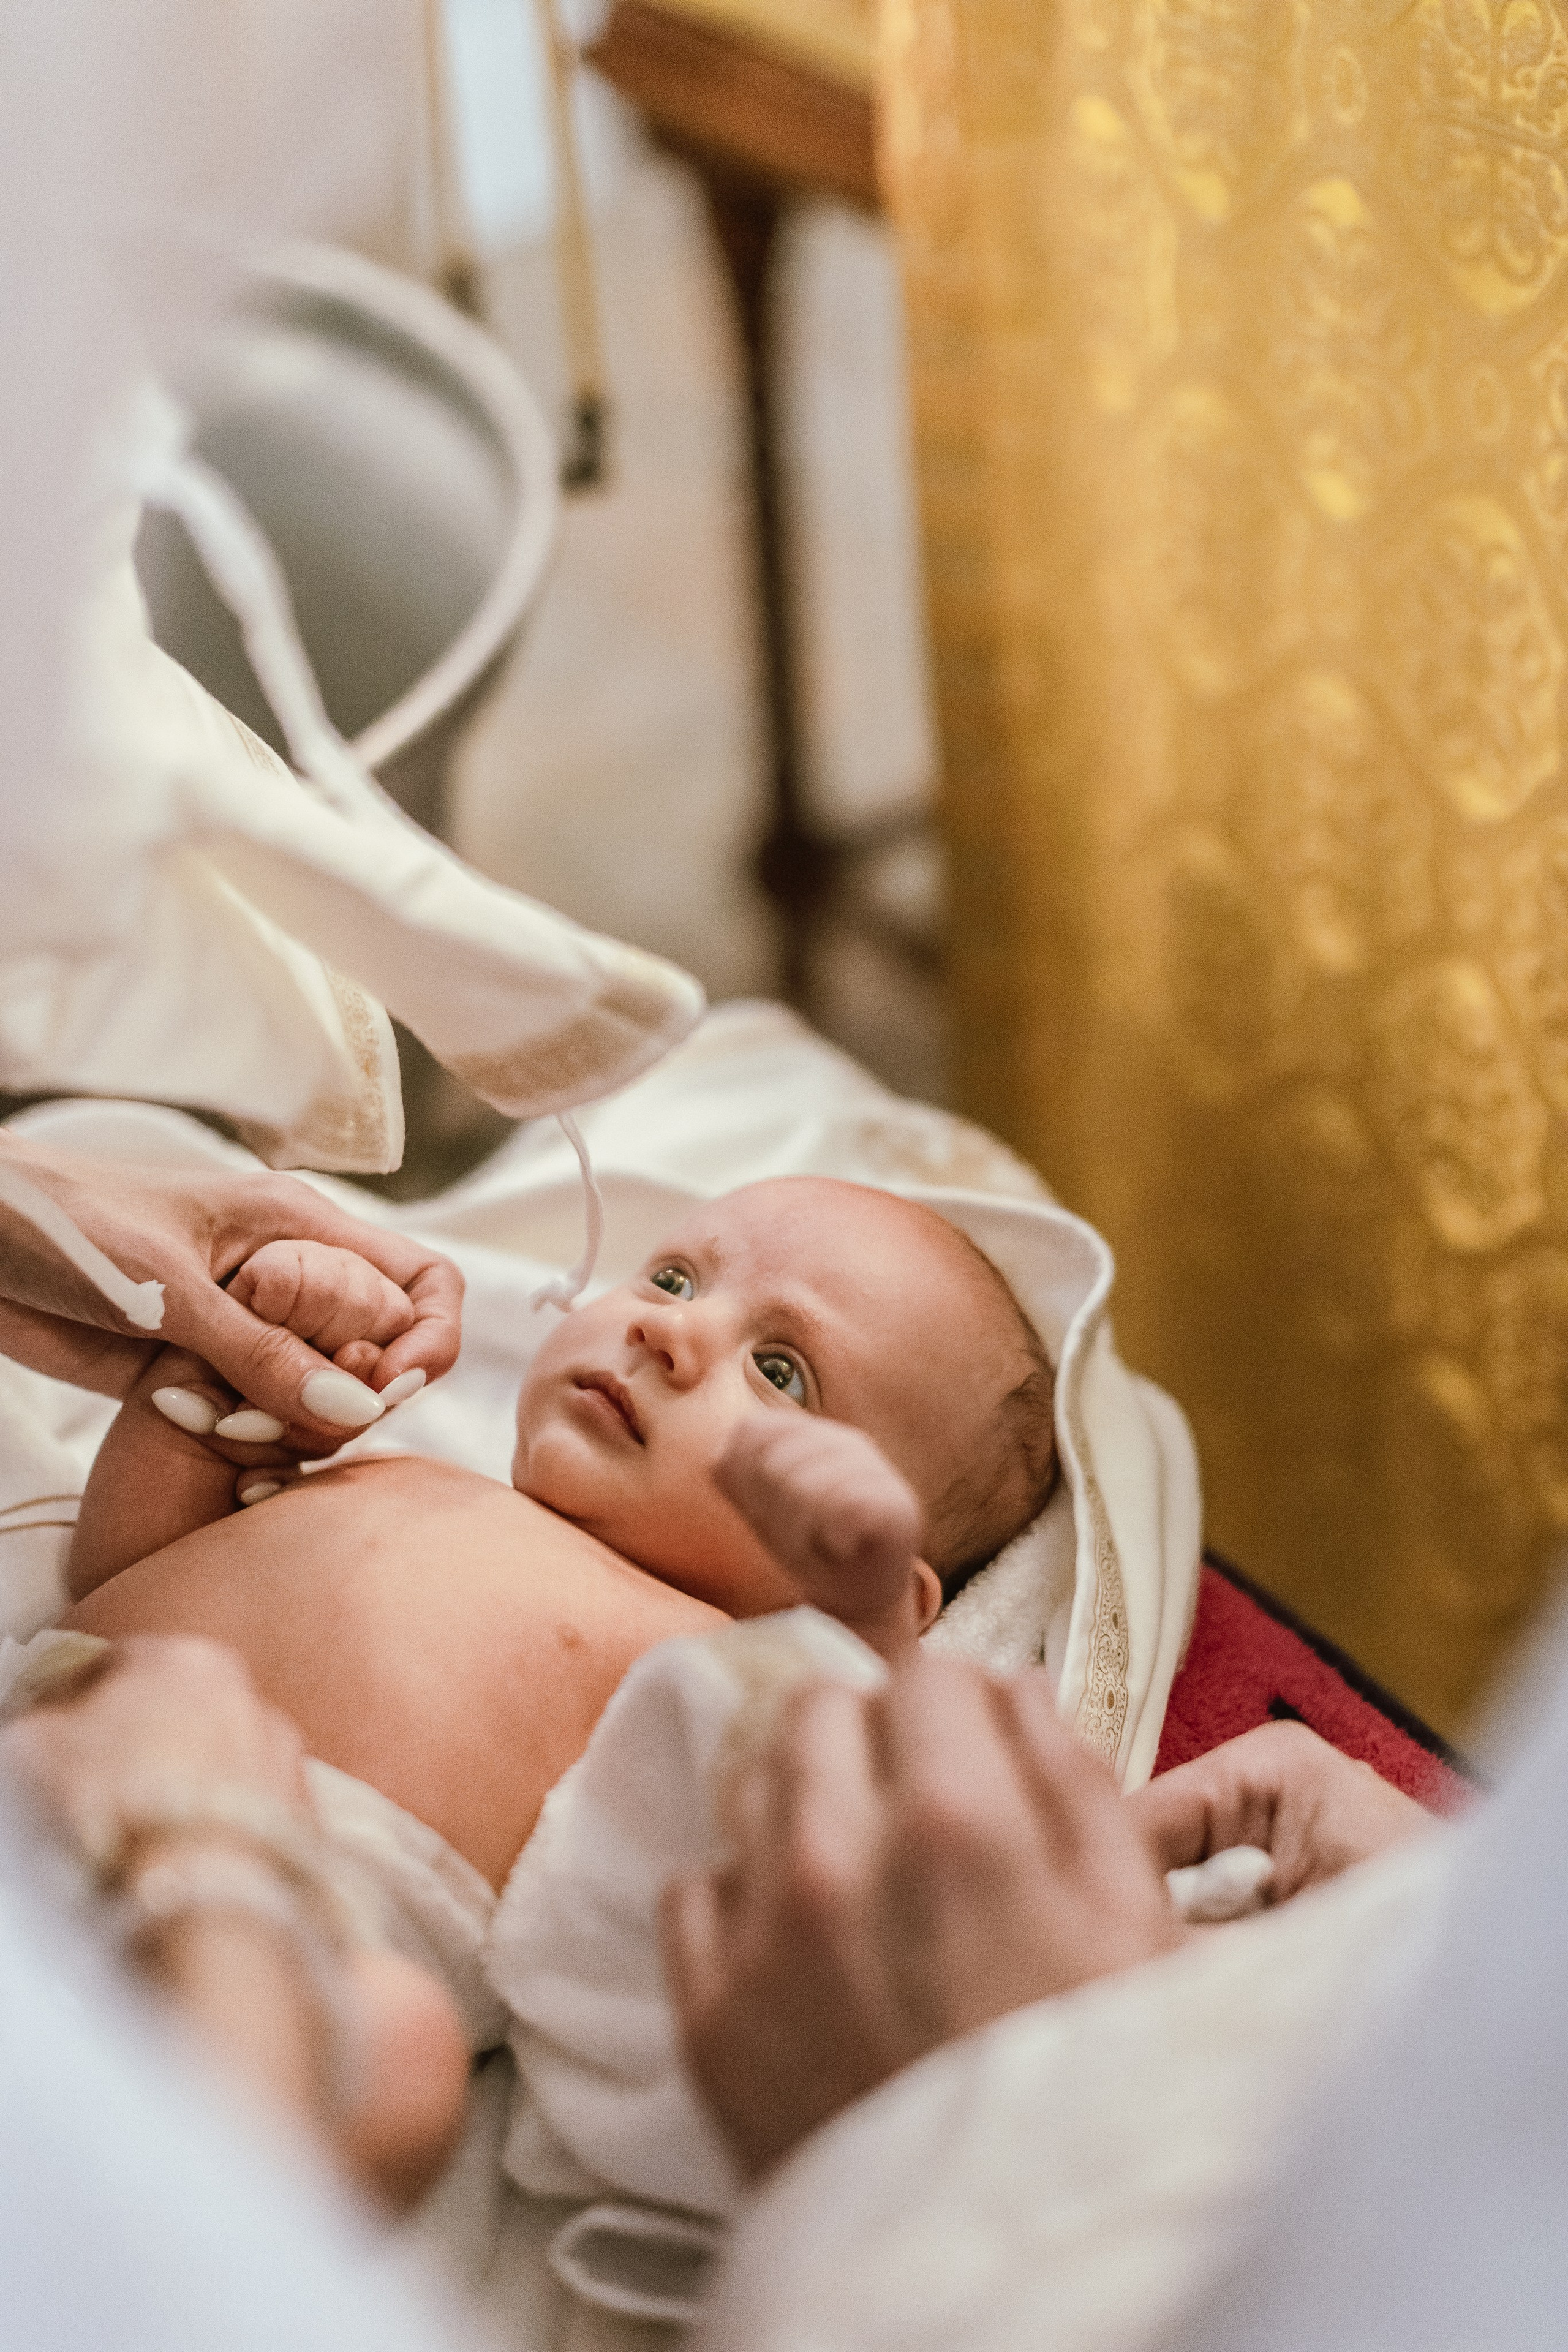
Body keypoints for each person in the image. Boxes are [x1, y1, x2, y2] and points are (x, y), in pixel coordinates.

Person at [53, 1175, 1055, 1890]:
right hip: (59, 1745)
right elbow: (124, 1581)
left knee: (403, 2060)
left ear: (855, 1573)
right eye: (673, 1279)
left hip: (286, 1904)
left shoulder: (718, 1671)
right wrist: (202, 1395)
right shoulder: (406, 1471)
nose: (670, 1330)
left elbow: (856, 1834)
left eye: (782, 1371)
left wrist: (862, 1635)